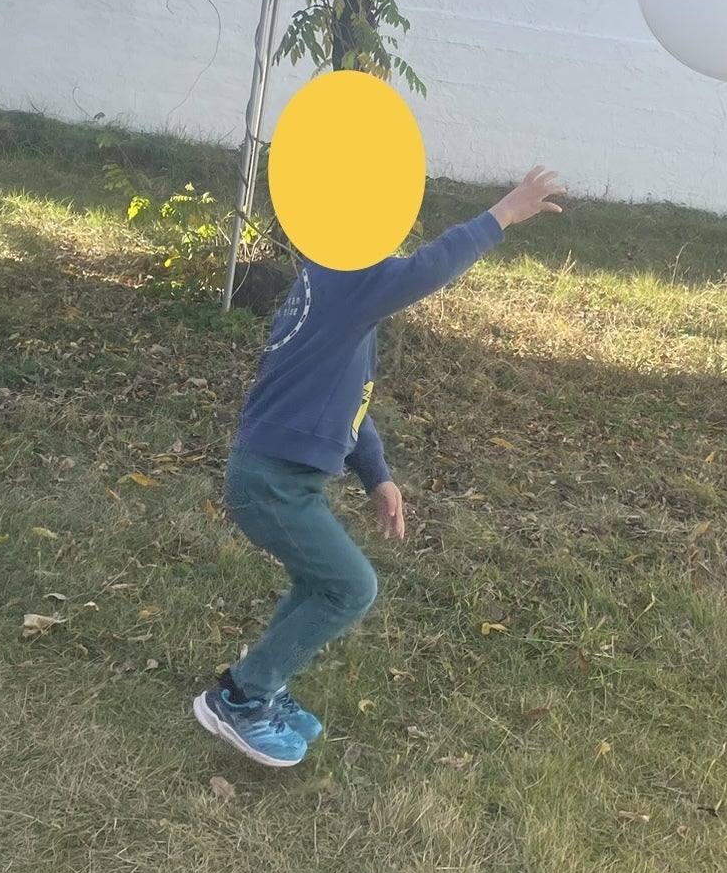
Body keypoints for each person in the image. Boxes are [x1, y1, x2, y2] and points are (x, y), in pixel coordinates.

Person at [194, 166, 567, 768]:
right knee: (351, 588)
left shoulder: (332, 290)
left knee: (321, 584)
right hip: (270, 481)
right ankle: (240, 697)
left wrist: (379, 476)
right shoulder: (344, 278)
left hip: (281, 478)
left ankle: (265, 682)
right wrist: (502, 215)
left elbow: (351, 402)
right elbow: (427, 269)